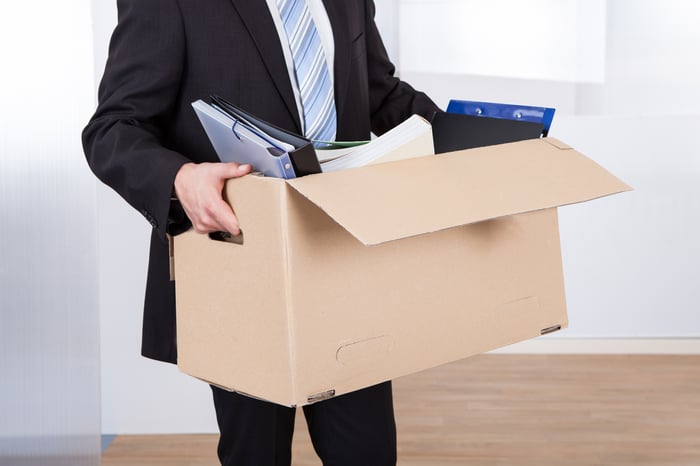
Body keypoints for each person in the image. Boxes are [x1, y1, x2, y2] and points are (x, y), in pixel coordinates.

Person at [83, 1, 439, 465]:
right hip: (241, 269)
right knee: (256, 454)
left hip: (345, 262)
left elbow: (380, 93)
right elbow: (113, 128)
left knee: (367, 451)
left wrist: (465, 133)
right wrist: (180, 178)